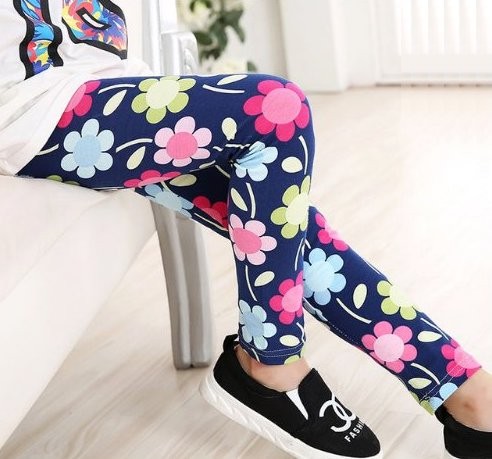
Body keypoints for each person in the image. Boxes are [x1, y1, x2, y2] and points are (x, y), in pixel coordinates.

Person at [1, 2, 490, 458]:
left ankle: (464, 387)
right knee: (275, 109)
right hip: (33, 111)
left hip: (108, 88)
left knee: (287, 228)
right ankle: (269, 361)